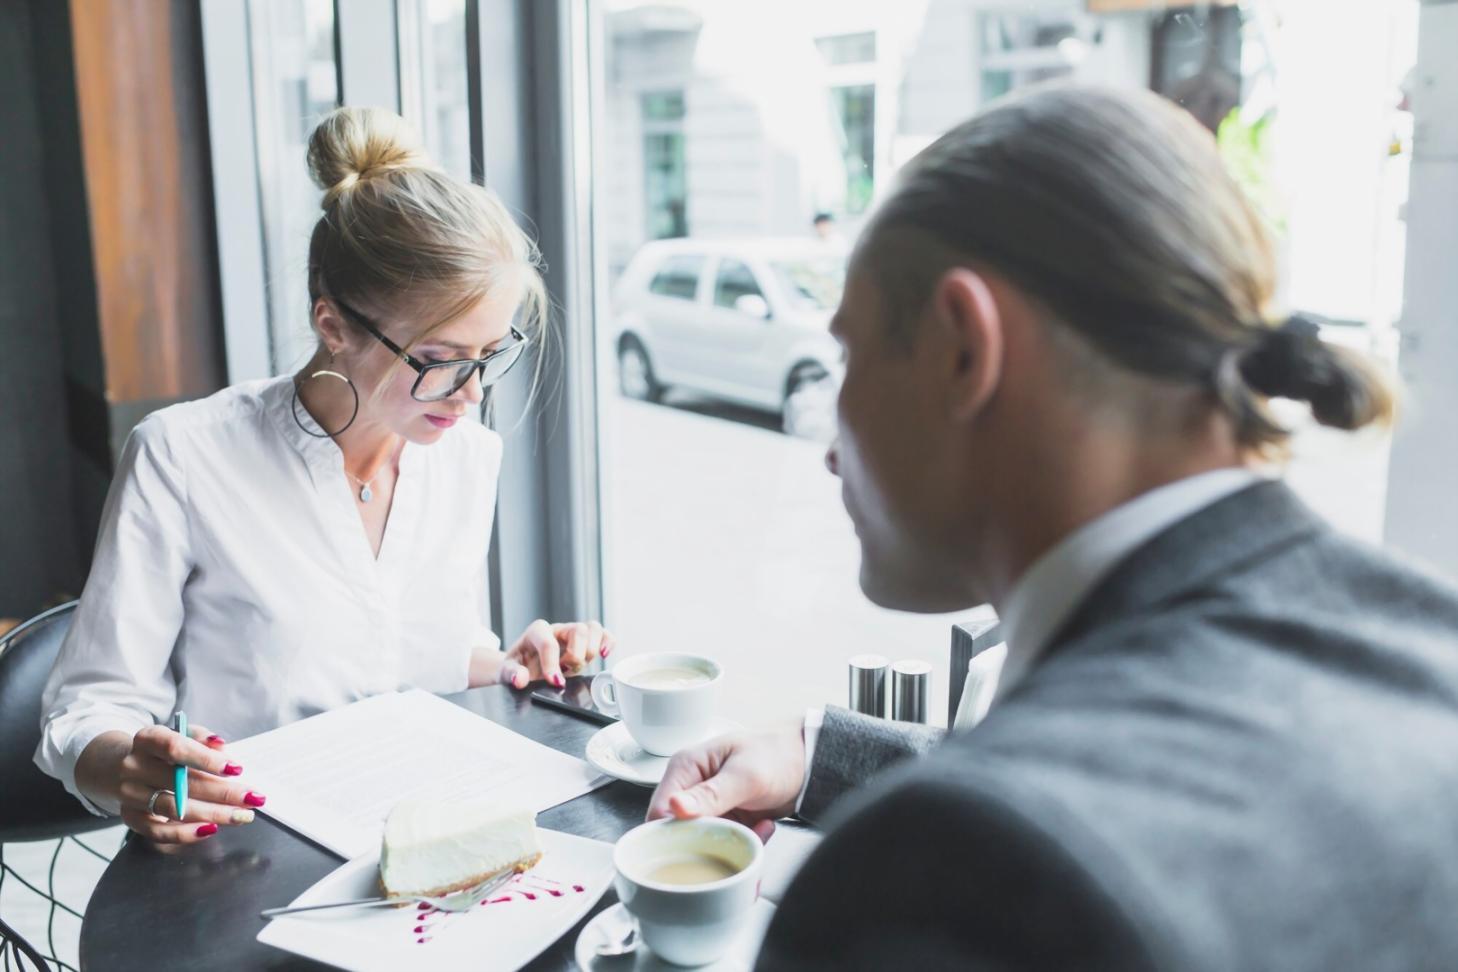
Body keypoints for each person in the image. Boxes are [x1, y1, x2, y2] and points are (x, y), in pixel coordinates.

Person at [649, 83, 1458, 969]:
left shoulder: (945, 879)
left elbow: (1052, 829)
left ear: (965, 348)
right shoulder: (1427, 639)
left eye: (850, 354)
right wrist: (819, 755)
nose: (831, 450)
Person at [36, 107, 613, 845]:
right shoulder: (183, 458)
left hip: (421, 840)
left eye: (491, 355)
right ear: (332, 324)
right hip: (246, 856)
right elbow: (87, 709)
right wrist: (133, 770)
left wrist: (510, 664)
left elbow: (412, 649)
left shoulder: (465, 456)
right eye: (440, 362)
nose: (472, 395)